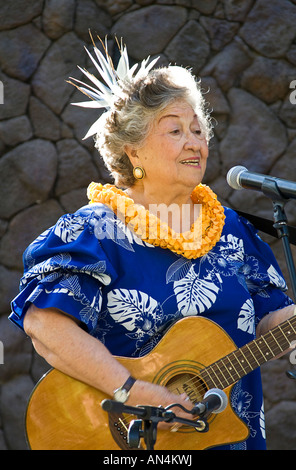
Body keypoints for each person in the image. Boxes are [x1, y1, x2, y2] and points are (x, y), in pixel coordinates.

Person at [10, 36, 295, 450]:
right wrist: (131, 390)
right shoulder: (94, 232)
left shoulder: (231, 230)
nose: (194, 141)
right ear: (134, 152)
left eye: (199, 129)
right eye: (176, 130)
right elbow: (43, 324)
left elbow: (272, 319)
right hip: (128, 440)